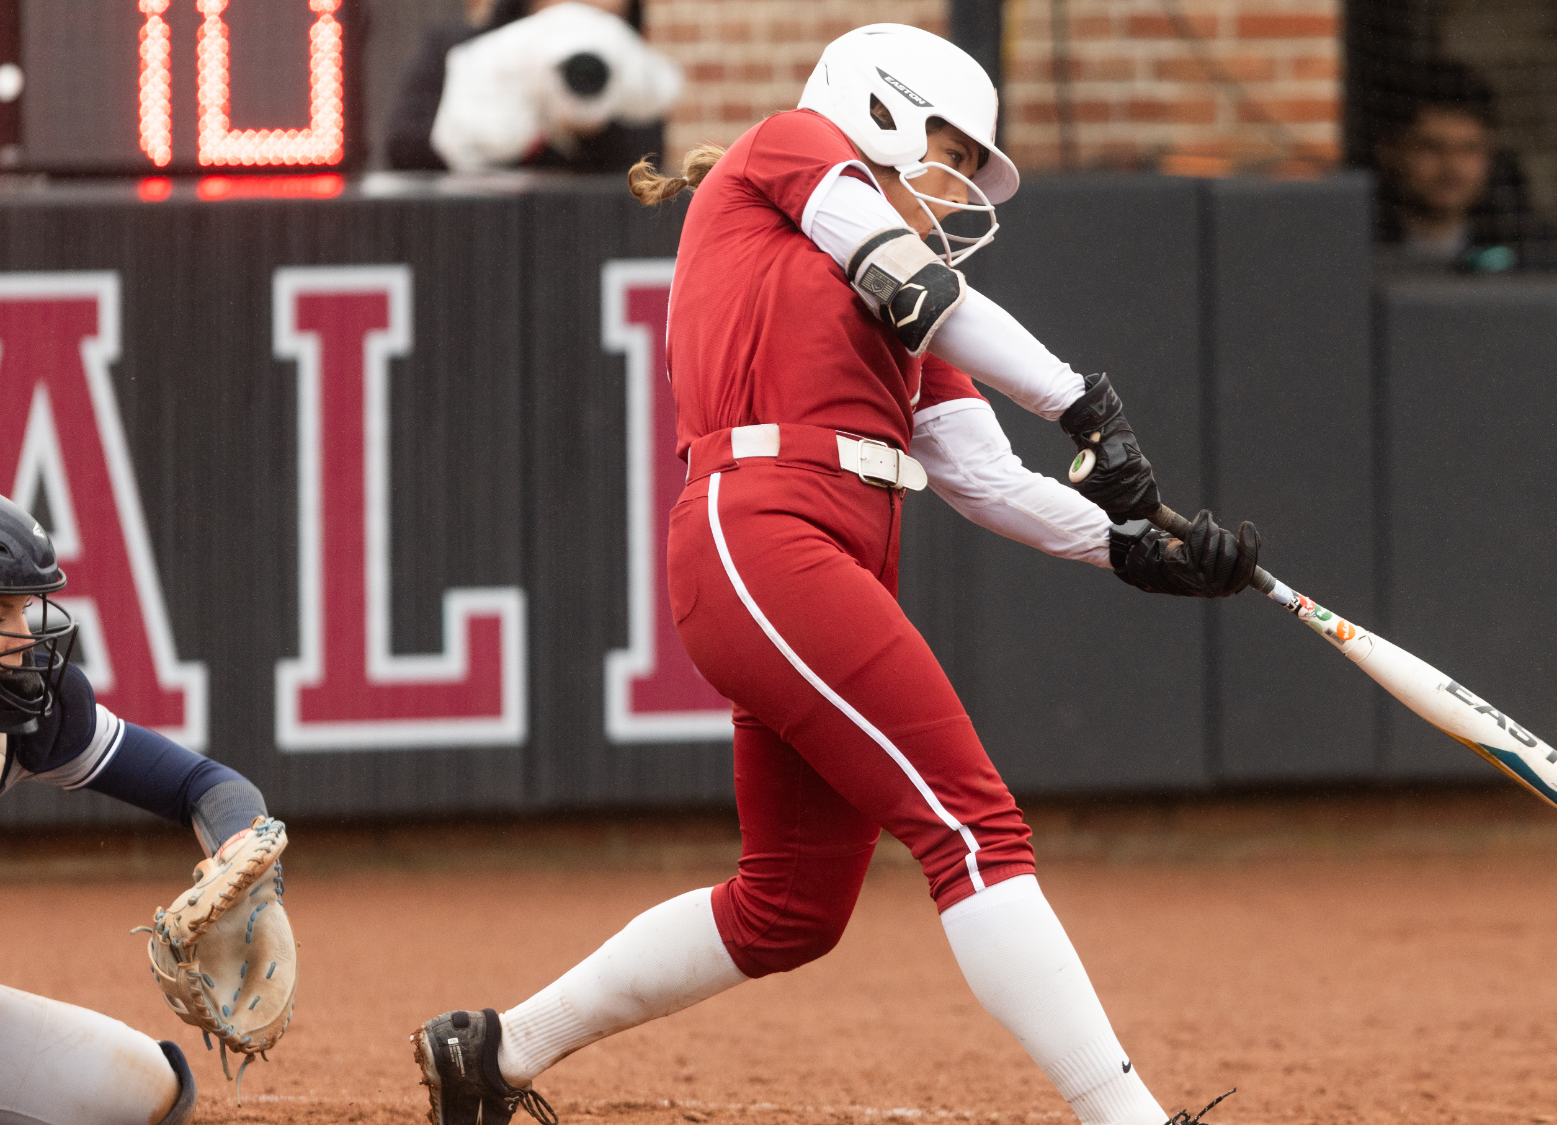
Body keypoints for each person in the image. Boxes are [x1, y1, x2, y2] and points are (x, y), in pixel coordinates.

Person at [412, 22, 1259, 1125]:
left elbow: (985, 480)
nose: (956, 186)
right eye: (947, 151)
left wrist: (1141, 551)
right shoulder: (790, 150)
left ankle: (494, 1052)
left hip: (822, 553)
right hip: (762, 528)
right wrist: (1082, 402)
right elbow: (916, 288)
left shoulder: (909, 301)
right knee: (972, 827)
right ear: (879, 106)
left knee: (791, 906)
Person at [0, 494, 289, 1124]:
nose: (24, 637)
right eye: (2, 611)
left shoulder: (27, 717)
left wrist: (240, 857)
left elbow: (204, 784)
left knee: (148, 1094)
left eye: (23, 608)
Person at [386, 0, 673, 172]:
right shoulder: (460, 55)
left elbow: (645, 163)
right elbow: (403, 146)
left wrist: (588, 131)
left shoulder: (628, 76)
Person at [1373, 59, 1557, 274]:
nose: (1452, 167)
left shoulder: (1533, 250)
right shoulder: (1359, 242)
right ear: (1390, 151)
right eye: (1431, 148)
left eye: (1469, 149)